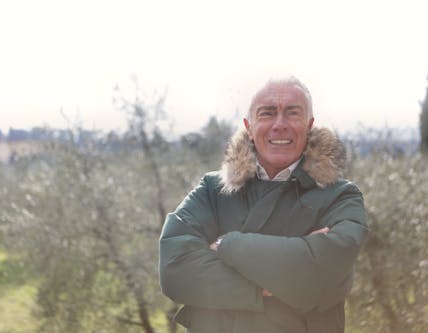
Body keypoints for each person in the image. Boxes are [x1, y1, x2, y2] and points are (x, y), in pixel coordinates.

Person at [158, 76, 368, 333]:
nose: (279, 124)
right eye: (267, 113)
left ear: (309, 125)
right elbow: (175, 272)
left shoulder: (340, 197)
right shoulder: (211, 191)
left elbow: (319, 275)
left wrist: (228, 246)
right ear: (249, 125)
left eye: (292, 113)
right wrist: (264, 286)